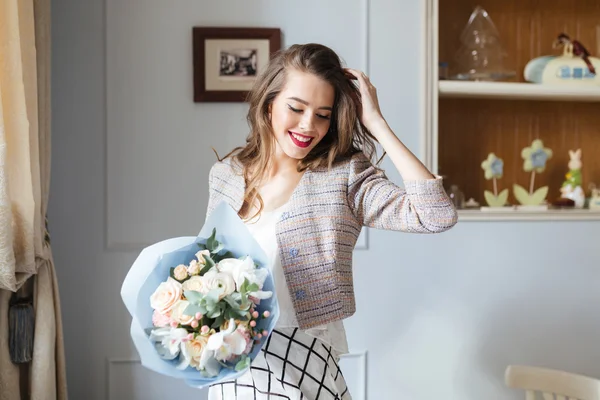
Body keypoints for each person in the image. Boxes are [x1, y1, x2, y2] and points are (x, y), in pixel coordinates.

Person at [205, 43, 457, 399]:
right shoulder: (226, 175)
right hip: (231, 358)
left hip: (301, 357)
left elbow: (435, 215)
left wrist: (377, 124)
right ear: (269, 102)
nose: (309, 126)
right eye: (296, 108)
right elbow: (206, 267)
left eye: (323, 114)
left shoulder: (343, 178)